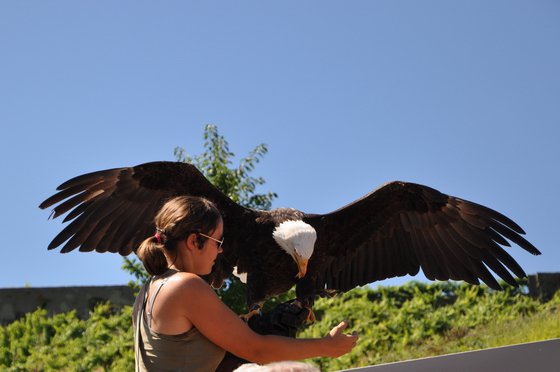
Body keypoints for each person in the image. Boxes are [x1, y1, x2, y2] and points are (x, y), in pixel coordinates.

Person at [133, 196, 358, 372]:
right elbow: (256, 350)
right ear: (194, 241)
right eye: (218, 241)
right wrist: (327, 347)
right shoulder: (186, 286)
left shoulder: (149, 290)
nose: (221, 250)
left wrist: (257, 328)